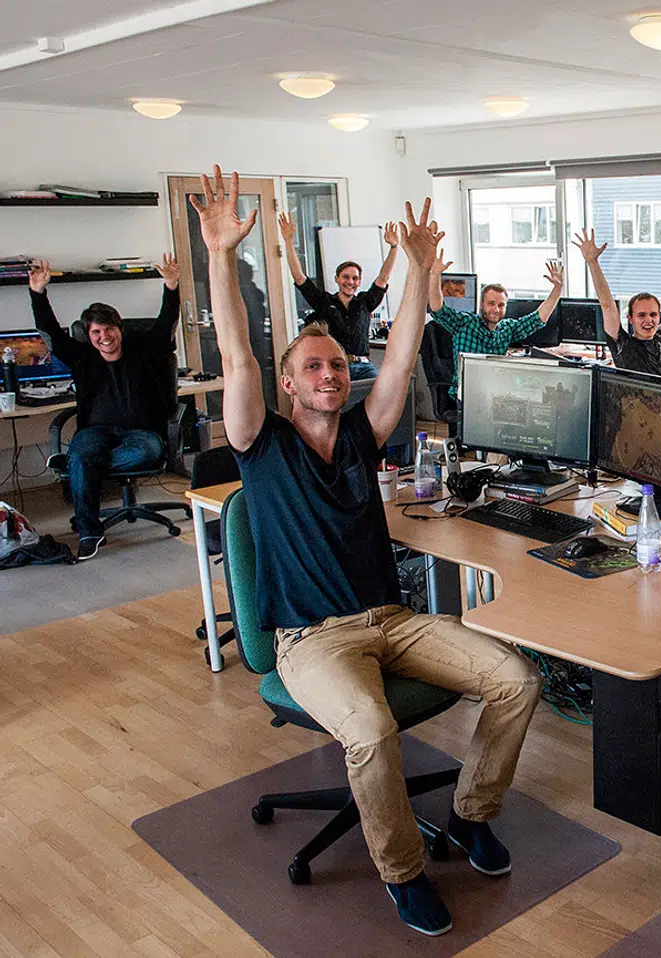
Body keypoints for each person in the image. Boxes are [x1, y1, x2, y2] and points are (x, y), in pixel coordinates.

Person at [193, 167, 540, 937]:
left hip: (392, 619)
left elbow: (400, 353)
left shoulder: (361, 433)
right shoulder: (260, 444)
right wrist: (221, 256)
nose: (327, 374)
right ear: (288, 386)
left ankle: (471, 817)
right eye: (310, 368)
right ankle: (403, 869)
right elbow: (237, 354)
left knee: (516, 679)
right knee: (374, 731)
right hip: (312, 639)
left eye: (332, 365)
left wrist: (419, 270)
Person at [28, 254, 184, 560]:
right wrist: (38, 293)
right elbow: (51, 333)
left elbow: (166, 321)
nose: (104, 337)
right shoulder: (82, 357)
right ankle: (89, 531)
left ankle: (79, 466)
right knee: (85, 451)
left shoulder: (146, 350)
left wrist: (171, 285)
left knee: (125, 456)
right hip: (96, 432)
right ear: (89, 336)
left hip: (141, 435)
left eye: (109, 329)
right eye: (96, 333)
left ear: (120, 328)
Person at [572, 228, 661, 377]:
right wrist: (592, 262)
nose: (648, 320)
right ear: (630, 319)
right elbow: (607, 305)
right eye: (641, 315)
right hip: (635, 399)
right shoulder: (622, 344)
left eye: (653, 314)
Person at [278, 213, 398, 381]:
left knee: (383, 391)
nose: (350, 282)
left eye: (355, 278)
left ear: (359, 281)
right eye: (345, 277)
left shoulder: (365, 302)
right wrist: (289, 241)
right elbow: (299, 277)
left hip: (363, 367)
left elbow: (383, 278)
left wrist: (394, 247)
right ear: (337, 279)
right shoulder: (324, 302)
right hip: (335, 367)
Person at [426, 261, 563, 396]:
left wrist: (557, 289)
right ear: (481, 304)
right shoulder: (464, 323)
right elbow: (438, 310)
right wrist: (434, 276)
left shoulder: (507, 328)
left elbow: (537, 319)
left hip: (497, 392)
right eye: (491, 303)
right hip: (469, 393)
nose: (496, 309)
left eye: (501, 305)